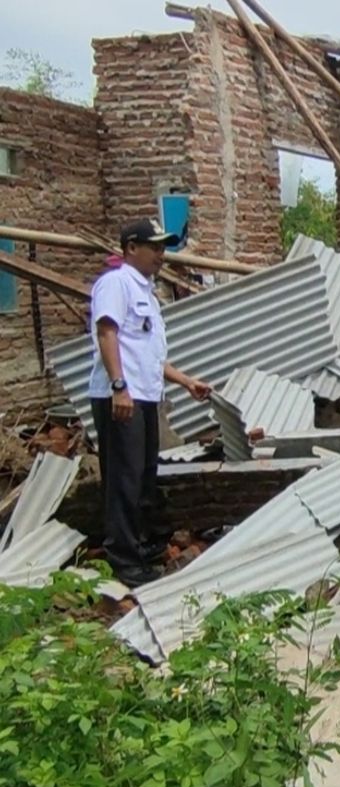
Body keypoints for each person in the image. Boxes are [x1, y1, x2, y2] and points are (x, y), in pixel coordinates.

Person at [88, 218, 211, 587]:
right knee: (123, 478)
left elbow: (150, 355)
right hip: (121, 397)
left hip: (143, 396)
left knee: (143, 476)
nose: (161, 254)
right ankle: (123, 561)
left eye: (163, 247)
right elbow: (107, 332)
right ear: (130, 248)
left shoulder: (147, 292)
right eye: (154, 247)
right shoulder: (116, 283)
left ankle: (140, 547)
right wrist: (118, 386)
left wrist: (186, 381)